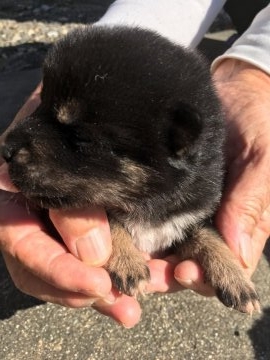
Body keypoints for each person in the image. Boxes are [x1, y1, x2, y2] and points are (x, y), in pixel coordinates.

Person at [0, 0, 269, 328]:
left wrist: (259, 72)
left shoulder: (194, 178)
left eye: (79, 139)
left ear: (176, 142)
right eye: (43, 104)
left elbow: (195, 228)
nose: (11, 143)